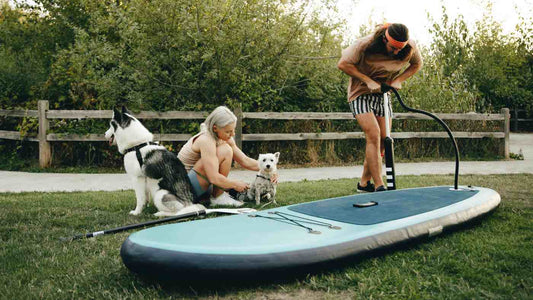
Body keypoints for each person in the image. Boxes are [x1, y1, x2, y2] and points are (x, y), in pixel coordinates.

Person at [337, 23, 423, 192]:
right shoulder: (364, 44)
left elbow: (416, 64)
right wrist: (367, 80)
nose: (397, 52)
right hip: (360, 92)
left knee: (384, 139)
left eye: (401, 48)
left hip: (383, 94)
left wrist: (398, 80)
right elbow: (343, 64)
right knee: (373, 135)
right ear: (384, 39)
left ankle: (364, 184)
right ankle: (379, 186)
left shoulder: (410, 46)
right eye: (393, 47)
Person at [178, 106, 276, 206]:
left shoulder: (223, 137)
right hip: (183, 191)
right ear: (215, 128)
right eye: (228, 131)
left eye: (233, 130)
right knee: (225, 150)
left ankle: (217, 195)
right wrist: (234, 184)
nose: (232, 134)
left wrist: (271, 170)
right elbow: (213, 178)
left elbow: (244, 160)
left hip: (198, 186)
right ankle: (218, 197)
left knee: (226, 149)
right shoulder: (206, 140)